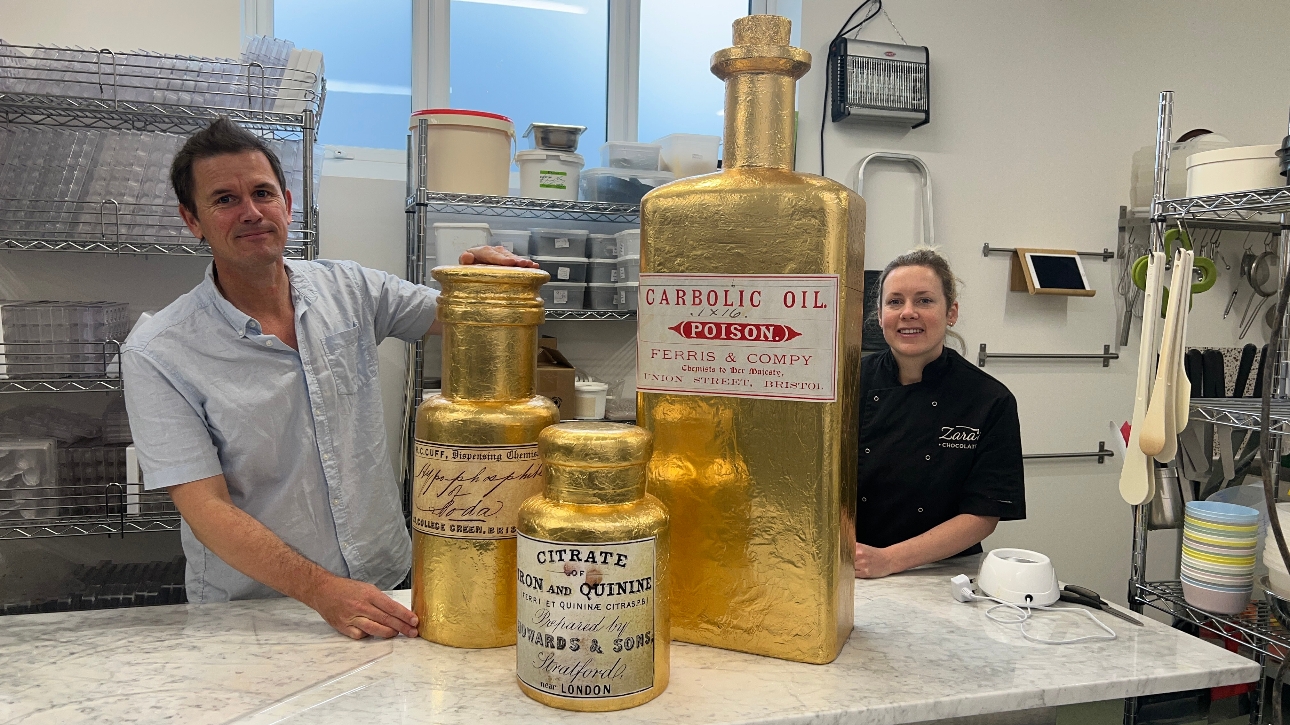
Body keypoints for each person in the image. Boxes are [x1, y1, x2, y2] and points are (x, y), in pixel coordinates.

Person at [122, 117, 534, 639]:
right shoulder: (160, 351)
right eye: (224, 199)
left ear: (287, 205)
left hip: (387, 585)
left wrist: (487, 280)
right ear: (192, 220)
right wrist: (320, 589)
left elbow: (455, 315)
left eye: (262, 193)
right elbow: (205, 508)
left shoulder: (350, 289)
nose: (251, 212)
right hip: (257, 613)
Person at [854, 248, 1025, 579]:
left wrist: (889, 560)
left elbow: (983, 514)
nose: (908, 313)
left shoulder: (989, 400)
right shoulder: (848, 382)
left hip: (944, 574)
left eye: (924, 301)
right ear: (879, 315)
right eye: (895, 302)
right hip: (854, 565)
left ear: (951, 313)